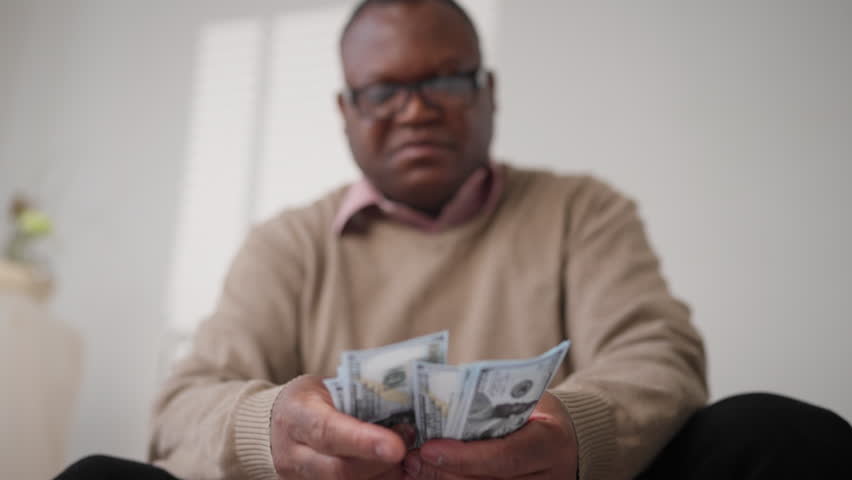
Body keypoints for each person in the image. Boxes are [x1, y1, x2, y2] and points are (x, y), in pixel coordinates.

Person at [56, 0, 852, 479]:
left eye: (444, 81)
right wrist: (271, 436)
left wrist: (570, 437)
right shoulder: (288, 244)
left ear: (487, 93)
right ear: (345, 110)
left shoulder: (583, 210)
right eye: (384, 91)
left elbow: (659, 354)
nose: (416, 110)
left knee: (774, 435)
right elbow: (184, 405)